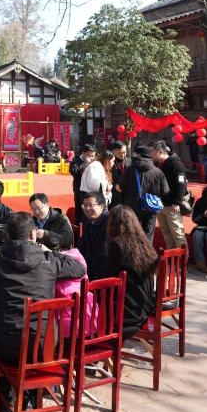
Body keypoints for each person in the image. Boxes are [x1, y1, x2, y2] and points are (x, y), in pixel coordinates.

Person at [0, 212, 85, 367]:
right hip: (44, 345)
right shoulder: (48, 260)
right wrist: (49, 251)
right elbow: (79, 268)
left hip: (6, 344)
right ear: (33, 234)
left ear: (8, 234)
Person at [96, 205, 158, 340]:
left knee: (91, 297)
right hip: (145, 304)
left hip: (129, 310)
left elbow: (106, 277)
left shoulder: (117, 245)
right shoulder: (144, 242)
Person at [114, 145, 169, 239]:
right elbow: (165, 190)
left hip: (132, 206)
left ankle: (134, 253)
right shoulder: (157, 171)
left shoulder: (129, 169)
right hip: (151, 207)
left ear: (138, 154)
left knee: (131, 233)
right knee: (148, 233)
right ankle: (147, 252)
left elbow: (121, 188)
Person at [151, 141, 189, 249]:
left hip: (172, 204)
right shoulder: (157, 164)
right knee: (166, 232)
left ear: (160, 151)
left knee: (177, 233)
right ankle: (171, 256)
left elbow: (181, 184)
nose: (151, 154)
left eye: (152, 151)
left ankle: (183, 260)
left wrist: (176, 202)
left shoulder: (175, 164)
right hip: (160, 203)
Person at [77, 191, 109, 279]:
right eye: (84, 205)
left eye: (91, 205)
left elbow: (103, 253)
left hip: (103, 273)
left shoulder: (109, 223)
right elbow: (81, 246)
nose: (87, 208)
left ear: (102, 207)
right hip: (89, 268)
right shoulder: (89, 221)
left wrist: (88, 272)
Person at [78, 144, 109, 214]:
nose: (91, 158)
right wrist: (104, 187)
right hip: (86, 192)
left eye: (93, 156)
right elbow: (93, 184)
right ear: (83, 153)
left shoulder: (94, 164)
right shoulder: (94, 165)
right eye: (89, 155)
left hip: (86, 192)